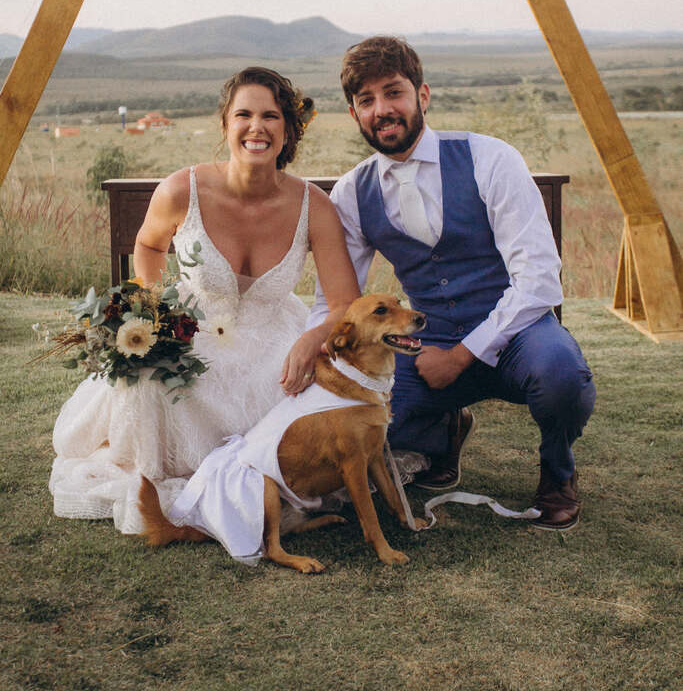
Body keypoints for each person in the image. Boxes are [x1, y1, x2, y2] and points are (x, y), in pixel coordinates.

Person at [50, 67, 360, 533]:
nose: (256, 127)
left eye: (271, 116)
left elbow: (344, 302)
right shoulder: (182, 189)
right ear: (225, 124)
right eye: (244, 115)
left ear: (288, 129)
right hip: (195, 330)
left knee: (306, 394)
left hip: (275, 343)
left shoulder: (313, 206)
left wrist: (310, 340)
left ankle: (254, 481)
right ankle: (174, 478)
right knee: (150, 377)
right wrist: (153, 308)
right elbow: (149, 243)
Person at [308, 36, 596, 530]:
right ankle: (442, 432)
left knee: (563, 378)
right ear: (354, 114)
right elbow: (337, 299)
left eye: (393, 92)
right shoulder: (353, 191)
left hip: (518, 331)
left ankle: (558, 473)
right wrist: (316, 355)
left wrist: (461, 356)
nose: (382, 110)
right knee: (375, 422)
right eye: (366, 100)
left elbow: (539, 280)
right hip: (426, 337)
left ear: (422, 95)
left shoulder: (490, 157)